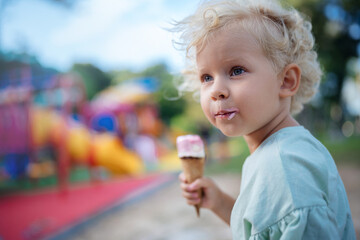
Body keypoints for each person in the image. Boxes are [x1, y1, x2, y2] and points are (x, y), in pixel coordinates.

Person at [172, 0, 356, 239]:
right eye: (206, 77)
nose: (216, 89)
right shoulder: (280, 152)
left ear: (286, 81)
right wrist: (219, 202)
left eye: (236, 70)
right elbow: (268, 227)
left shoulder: (284, 166)